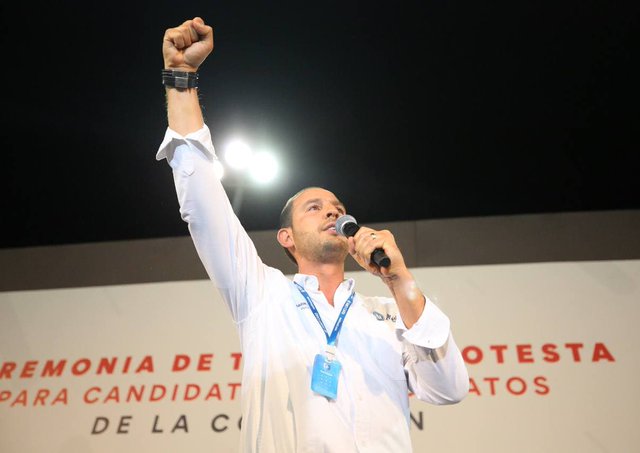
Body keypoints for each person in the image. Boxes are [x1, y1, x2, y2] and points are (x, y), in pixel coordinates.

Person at [157, 16, 469, 453]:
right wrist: (181, 78)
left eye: (337, 208)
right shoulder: (262, 295)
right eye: (314, 207)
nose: (333, 212)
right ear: (286, 237)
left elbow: (449, 389)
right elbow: (203, 203)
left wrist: (401, 281)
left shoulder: (387, 314)